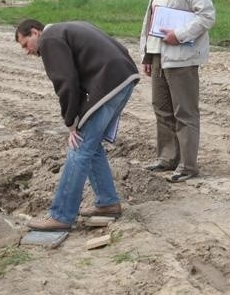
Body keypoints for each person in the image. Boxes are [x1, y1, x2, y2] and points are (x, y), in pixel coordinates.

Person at [14, 19, 139, 230]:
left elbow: (66, 82)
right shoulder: (66, 28)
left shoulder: (49, 40)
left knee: (79, 146)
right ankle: (107, 202)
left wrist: (71, 122)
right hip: (123, 76)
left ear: (35, 32)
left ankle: (61, 215)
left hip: (111, 81)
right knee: (90, 144)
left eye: (25, 44)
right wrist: (77, 118)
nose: (27, 51)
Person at [139, 0, 215, 183]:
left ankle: (188, 166)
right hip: (160, 56)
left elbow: (206, 17)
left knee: (185, 112)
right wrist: (148, 54)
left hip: (182, 58)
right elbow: (149, 22)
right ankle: (167, 158)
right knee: (161, 109)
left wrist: (180, 35)